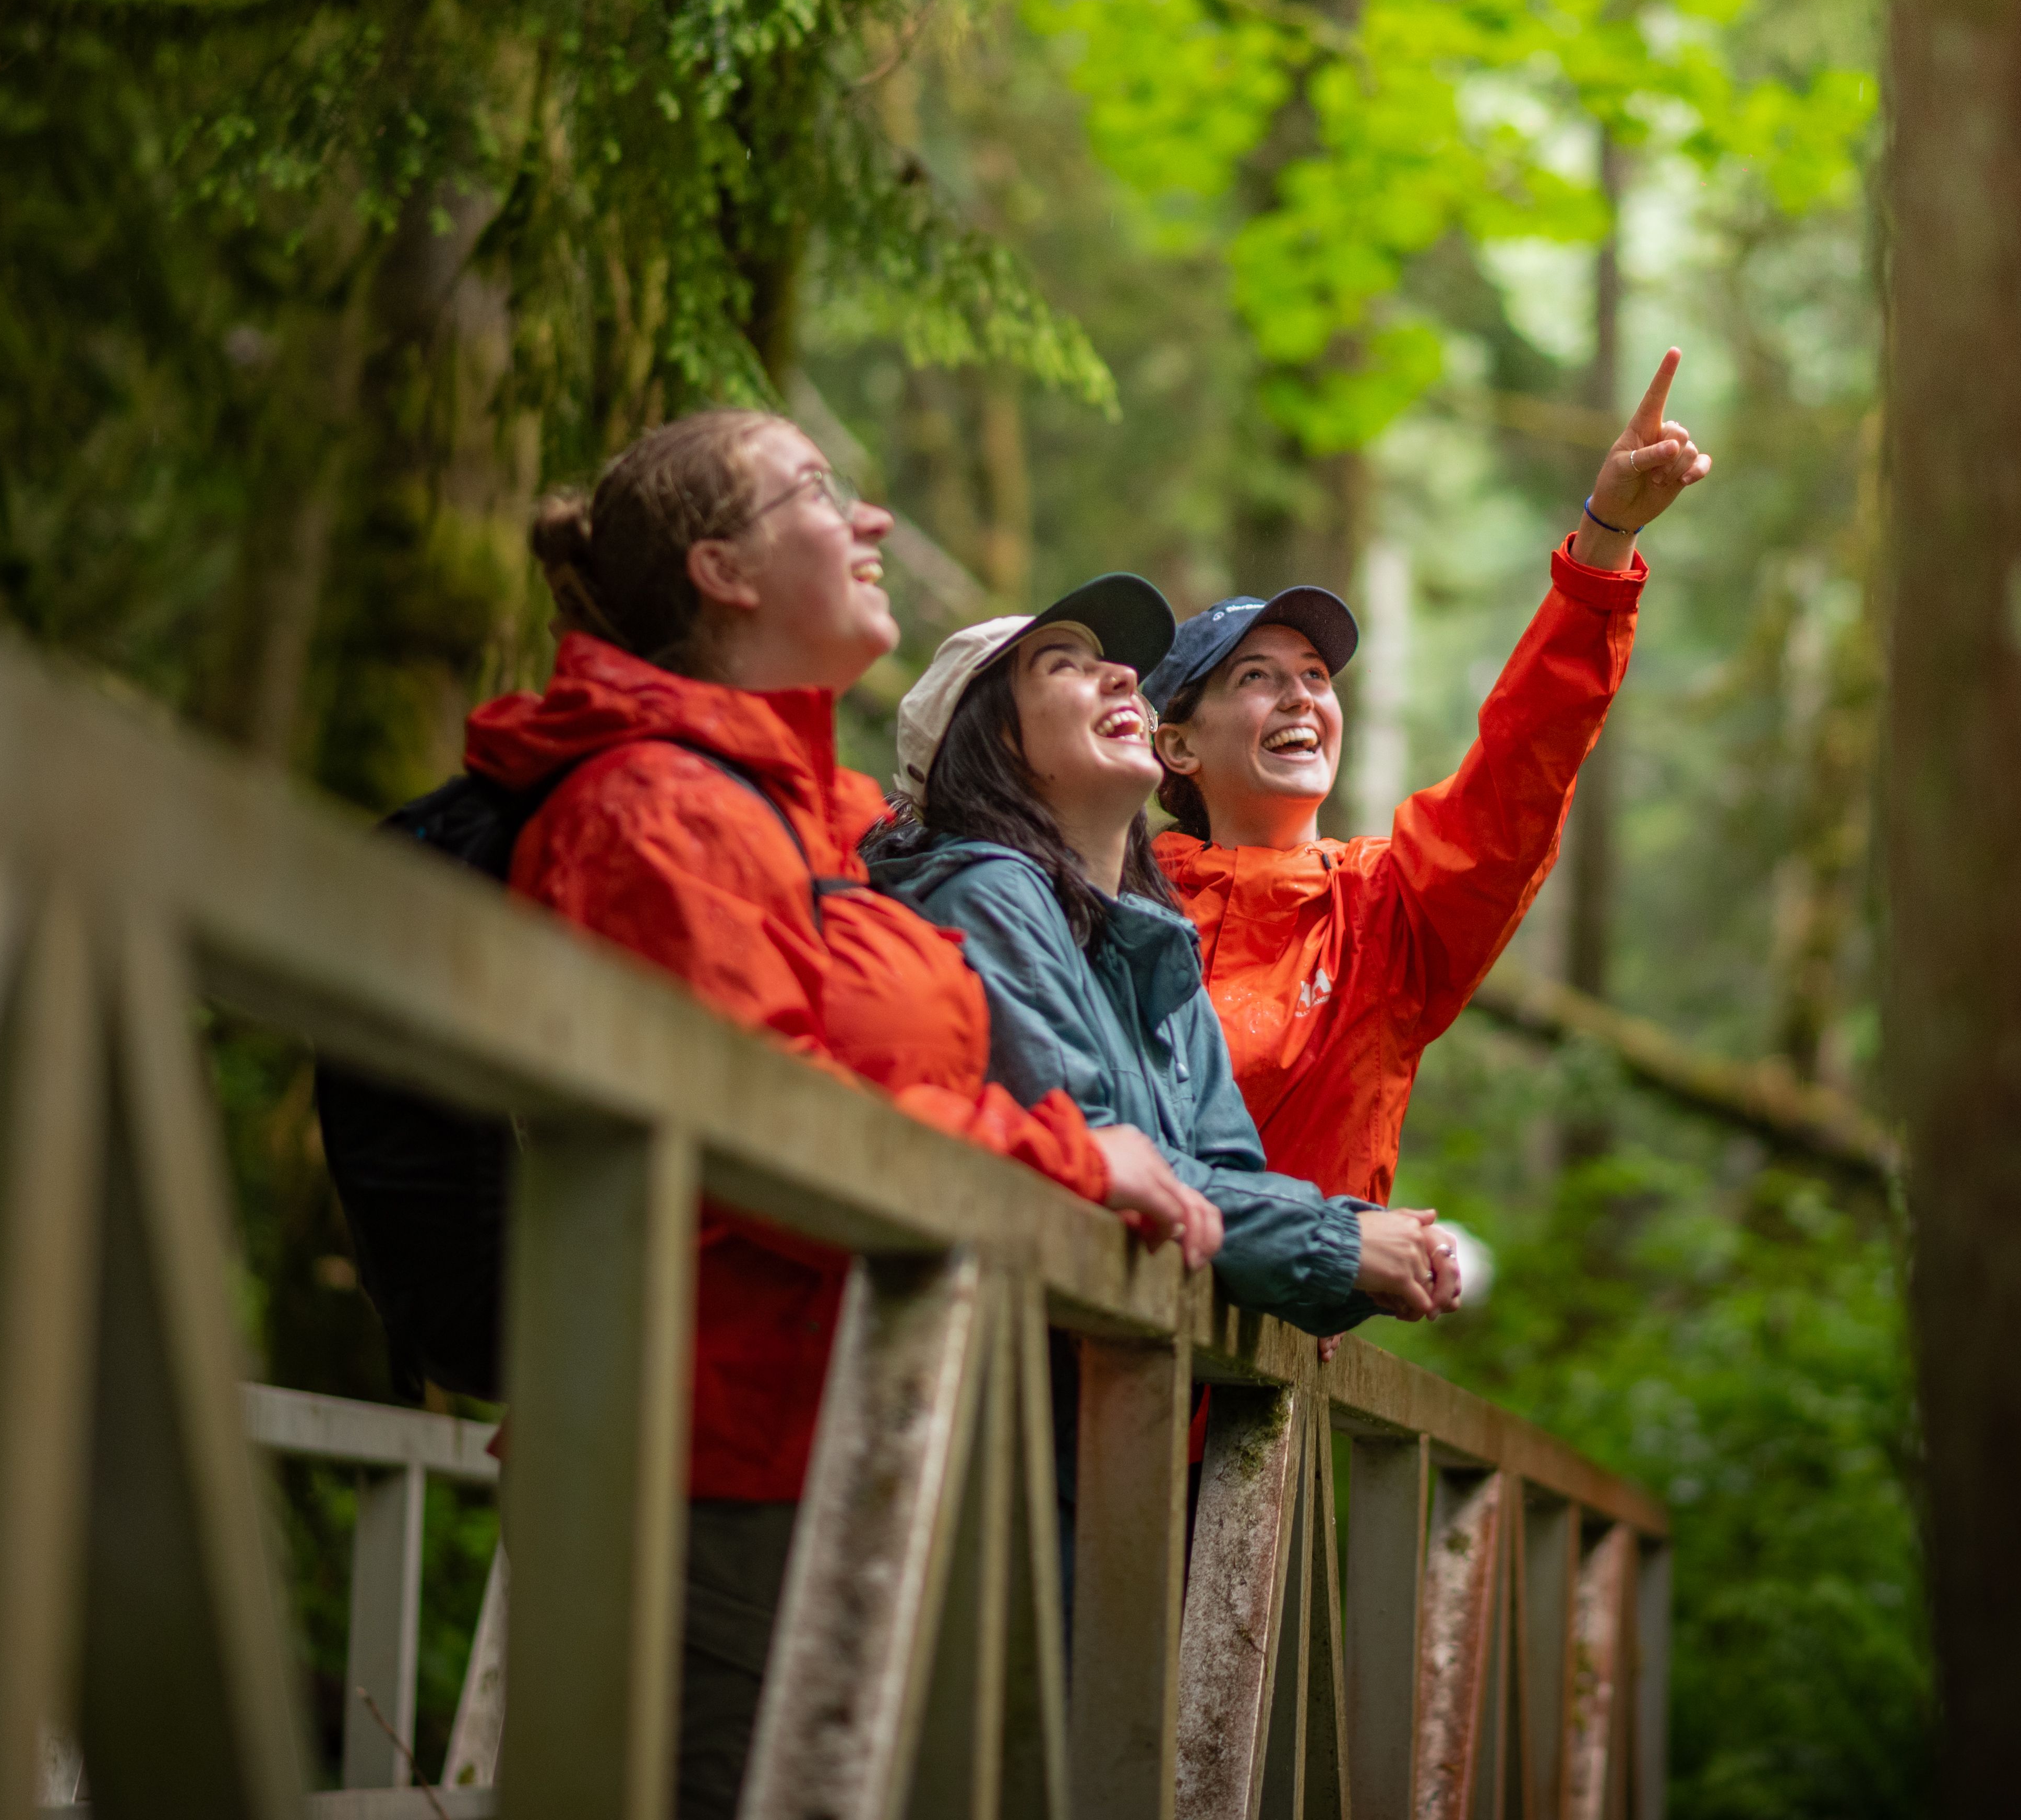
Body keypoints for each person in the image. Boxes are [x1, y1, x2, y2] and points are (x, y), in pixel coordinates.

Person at [463, 409, 1215, 1820]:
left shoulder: (801, 824)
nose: (870, 521)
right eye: (818, 491)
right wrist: (1071, 1156)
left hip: (829, 1456)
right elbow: (767, 1127)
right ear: (722, 573)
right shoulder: (651, 810)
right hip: (697, 1472)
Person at [1143, 349, 1712, 1212]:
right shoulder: (1116, 909)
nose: (1301, 693)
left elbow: (1521, 767)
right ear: (1177, 747)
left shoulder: (1389, 911)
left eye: (1317, 677)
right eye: (1256, 676)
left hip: (1278, 1339)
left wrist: (1604, 543)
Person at [861, 578, 1460, 1335]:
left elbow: (1224, 1182)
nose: (1119, 675)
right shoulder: (984, 895)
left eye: (1112, 664)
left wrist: (1370, 1265)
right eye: (1063, 666)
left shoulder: (1152, 935)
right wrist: (1342, 1244)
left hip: (1106, 1393)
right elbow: (1086, 1153)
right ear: (990, 743)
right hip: (1013, 1393)